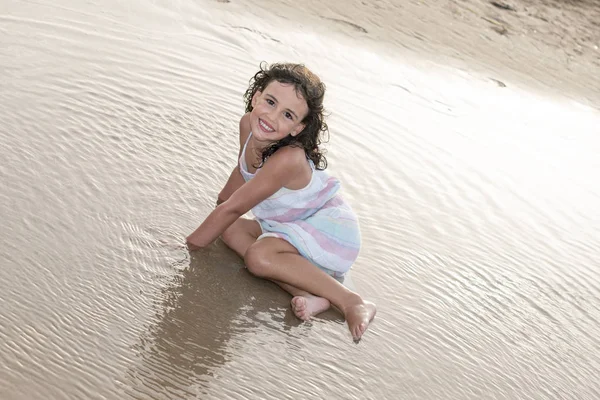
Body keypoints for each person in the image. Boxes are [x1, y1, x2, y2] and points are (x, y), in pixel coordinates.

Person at [186, 62, 376, 341]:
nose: (272, 117)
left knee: (258, 256)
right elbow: (241, 173)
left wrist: (190, 246)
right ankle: (309, 293)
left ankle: (351, 301)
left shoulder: (288, 158)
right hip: (289, 226)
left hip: (328, 231)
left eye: (287, 115)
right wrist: (219, 208)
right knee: (230, 229)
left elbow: (236, 207)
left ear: (298, 128)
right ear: (256, 96)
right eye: (270, 102)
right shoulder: (247, 125)